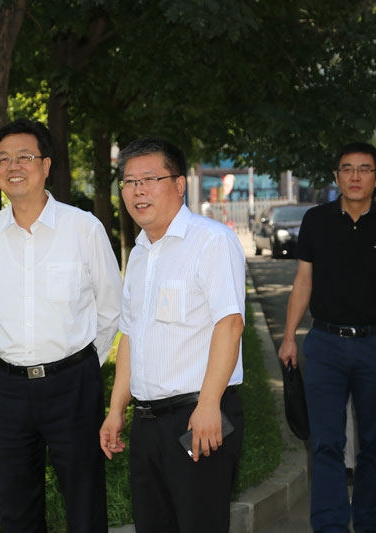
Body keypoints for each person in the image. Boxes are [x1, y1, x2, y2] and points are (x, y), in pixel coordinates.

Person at [0, 118, 123, 533]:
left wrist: (82, 363)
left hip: (72, 385)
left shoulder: (83, 228)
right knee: (15, 508)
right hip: (7, 389)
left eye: (24, 156)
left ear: (46, 165)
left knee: (84, 504)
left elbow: (112, 308)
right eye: (3, 158)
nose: (13, 166)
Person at [99, 137, 246, 533]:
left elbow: (230, 324)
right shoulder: (140, 253)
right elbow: (130, 336)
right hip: (147, 423)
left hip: (198, 416)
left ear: (179, 184)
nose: (138, 190)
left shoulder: (211, 241)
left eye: (150, 179)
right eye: (129, 182)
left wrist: (210, 404)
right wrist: (116, 410)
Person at [278, 142, 376, 533]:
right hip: (325, 344)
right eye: (347, 168)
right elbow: (303, 281)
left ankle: (368, 523)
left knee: (374, 446)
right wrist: (289, 337)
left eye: (364, 169)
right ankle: (330, 526)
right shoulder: (316, 220)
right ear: (337, 176)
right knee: (326, 444)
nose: (355, 176)